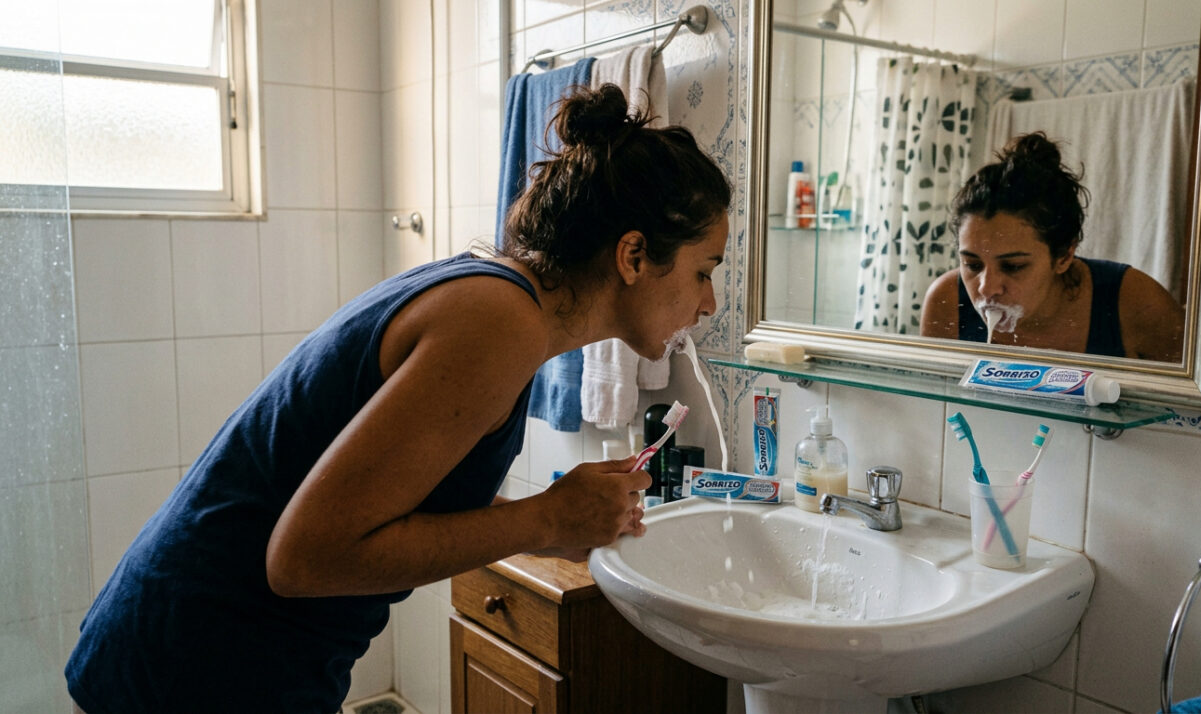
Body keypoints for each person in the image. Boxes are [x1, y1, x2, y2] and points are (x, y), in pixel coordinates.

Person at [65, 84, 732, 713]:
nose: (708, 303)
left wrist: (560, 524)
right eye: (703, 271)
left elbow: (396, 500)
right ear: (634, 254)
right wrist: (548, 520)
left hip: (210, 652)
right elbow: (303, 558)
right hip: (198, 667)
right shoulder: (499, 323)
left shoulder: (502, 303)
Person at [920, 132, 1184, 362]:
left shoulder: (1136, 302)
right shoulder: (947, 301)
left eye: (1013, 266)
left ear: (1065, 256)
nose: (986, 288)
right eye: (973, 265)